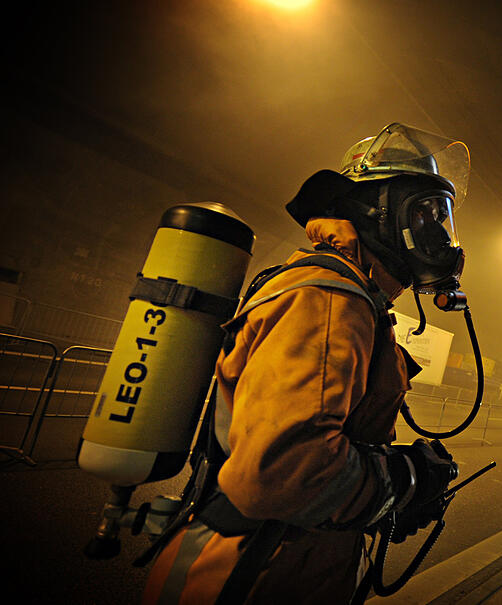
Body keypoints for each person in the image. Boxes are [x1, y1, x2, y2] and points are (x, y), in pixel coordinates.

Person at [142, 123, 472, 604]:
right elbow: (285, 471)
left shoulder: (357, 298)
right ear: (375, 213)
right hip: (245, 578)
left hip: (286, 567)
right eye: (424, 214)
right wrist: (404, 482)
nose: (438, 234)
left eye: (440, 218)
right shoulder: (329, 297)